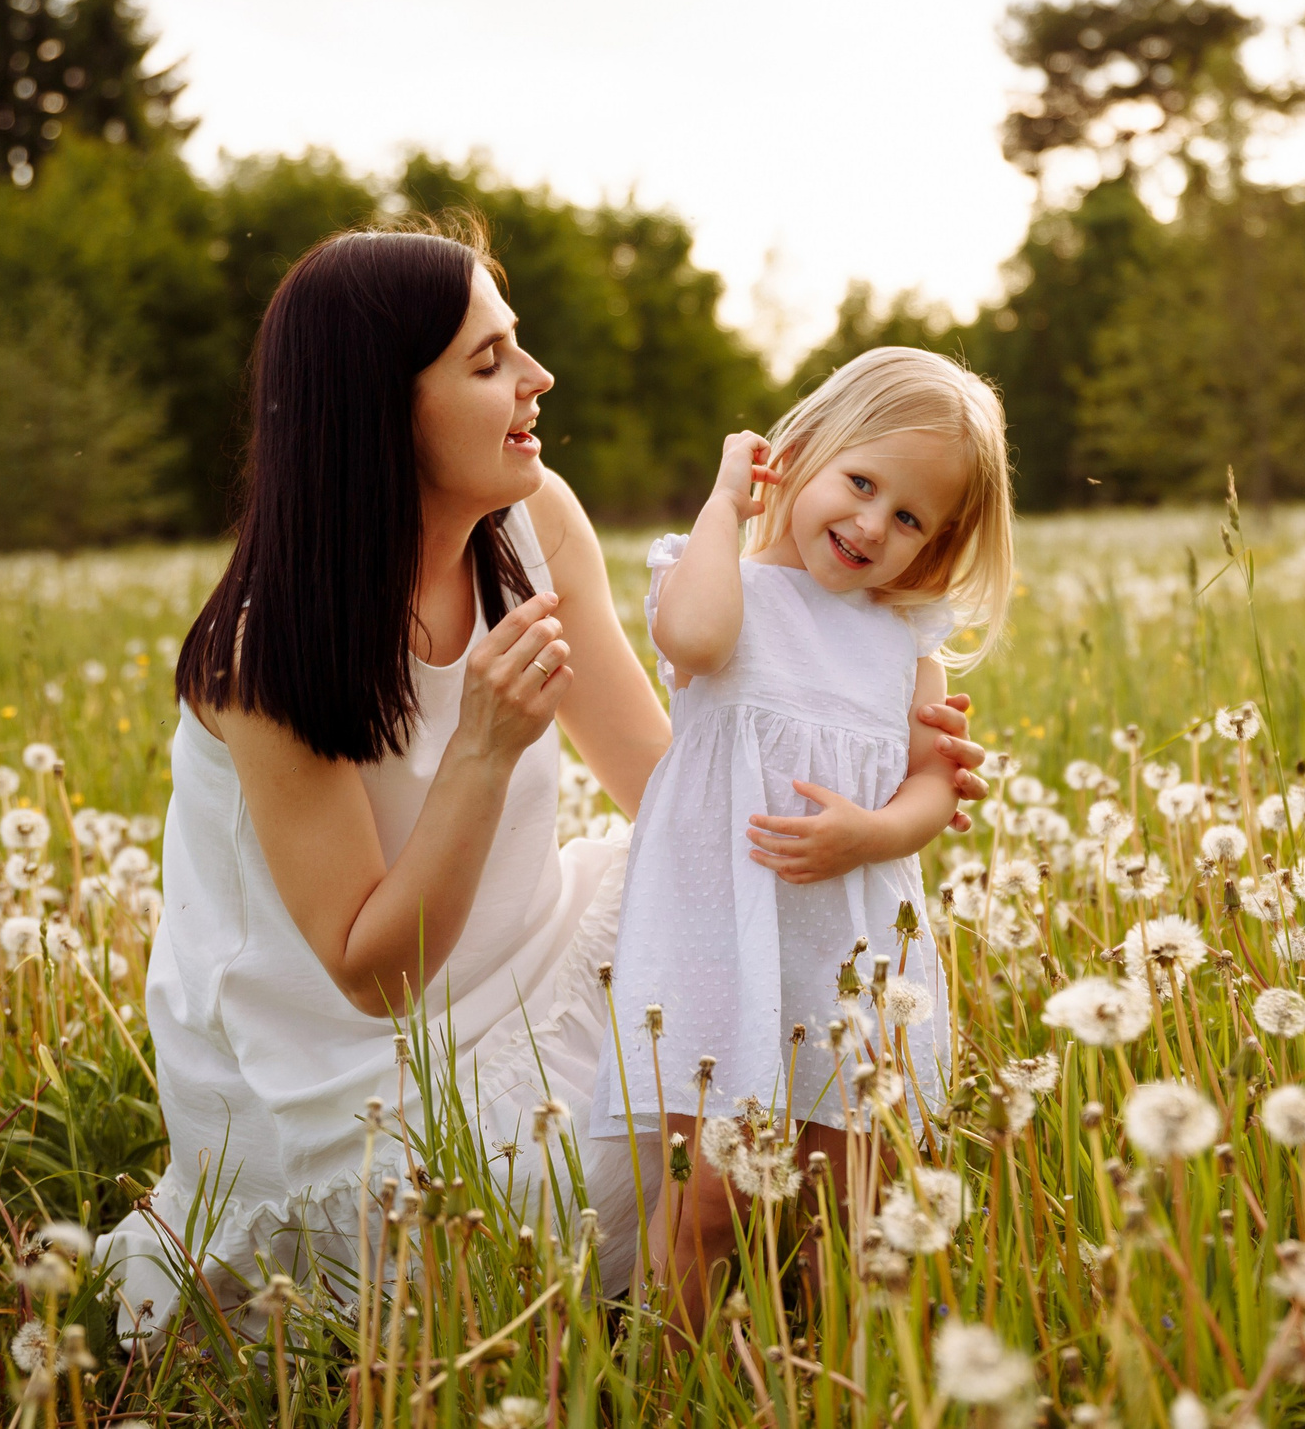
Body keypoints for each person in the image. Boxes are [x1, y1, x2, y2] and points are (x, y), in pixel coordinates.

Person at [94, 227, 989, 1340]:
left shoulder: (531, 519)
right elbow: (377, 981)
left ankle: (809, 1280)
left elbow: (665, 787)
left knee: (793, 1015)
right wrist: (482, 746)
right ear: (382, 405)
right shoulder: (263, 652)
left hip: (543, 957)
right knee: (640, 1156)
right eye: (487, 362)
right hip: (356, 1078)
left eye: (516, 347)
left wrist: (860, 788)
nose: (538, 379)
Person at [592, 346, 1015, 1323]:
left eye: (909, 516)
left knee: (851, 1189)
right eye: (859, 483)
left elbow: (934, 789)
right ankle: (664, 1378)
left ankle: (837, 1370)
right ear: (800, 452)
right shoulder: (718, 585)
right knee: (714, 1195)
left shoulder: (905, 638)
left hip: (848, 946)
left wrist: (872, 833)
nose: (871, 524)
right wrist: (721, 509)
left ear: (936, 541)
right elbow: (691, 643)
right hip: (720, 935)